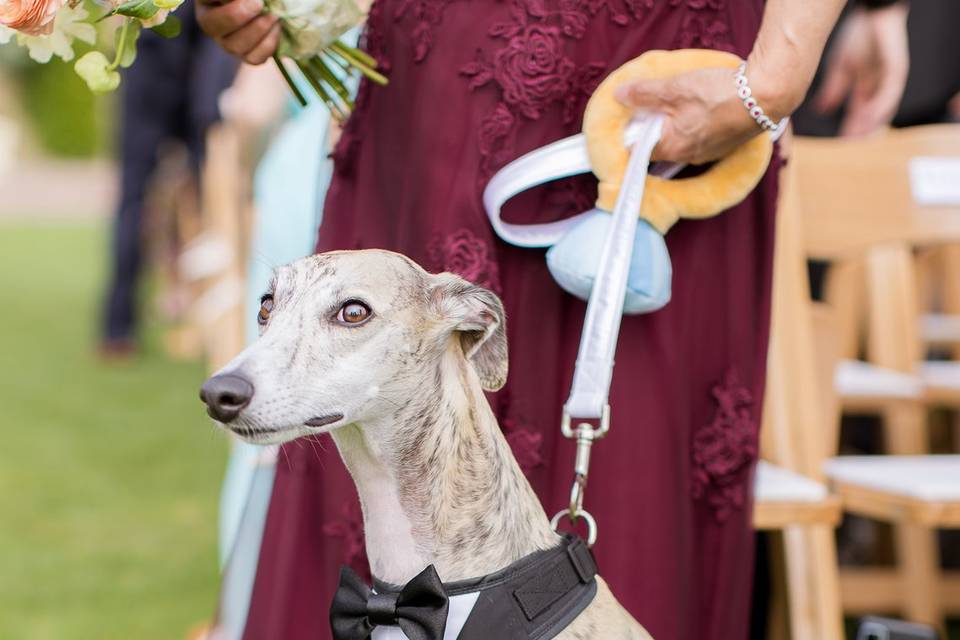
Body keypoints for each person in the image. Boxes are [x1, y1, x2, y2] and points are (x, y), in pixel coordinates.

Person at [197, 1, 856, 638]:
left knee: (633, 477)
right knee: (367, 383)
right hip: (436, 86)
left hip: (670, 83)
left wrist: (774, 76)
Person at [99, 2, 236, 357]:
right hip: (181, 45)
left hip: (201, 43)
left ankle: (204, 321)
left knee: (213, 192)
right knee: (150, 195)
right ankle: (120, 325)